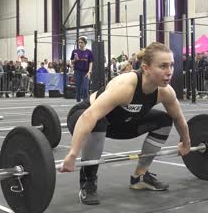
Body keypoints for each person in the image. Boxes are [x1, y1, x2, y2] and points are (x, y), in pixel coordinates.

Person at [60, 42, 192, 205]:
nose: (169, 72)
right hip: (84, 116)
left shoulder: (165, 92)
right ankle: (88, 183)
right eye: (163, 66)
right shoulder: (125, 85)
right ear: (146, 68)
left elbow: (179, 120)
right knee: (99, 121)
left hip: (120, 124)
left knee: (164, 120)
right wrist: (73, 154)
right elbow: (89, 116)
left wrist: (186, 142)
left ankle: (140, 176)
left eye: (171, 65)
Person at [70, 36, 94, 102]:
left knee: (85, 88)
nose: (80, 44)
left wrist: (89, 71)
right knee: (78, 89)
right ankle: (78, 101)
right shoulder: (74, 51)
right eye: (79, 42)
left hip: (85, 72)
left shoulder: (89, 52)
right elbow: (71, 62)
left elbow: (91, 62)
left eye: (82, 42)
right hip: (77, 72)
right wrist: (75, 59)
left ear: (85, 43)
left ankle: (85, 102)